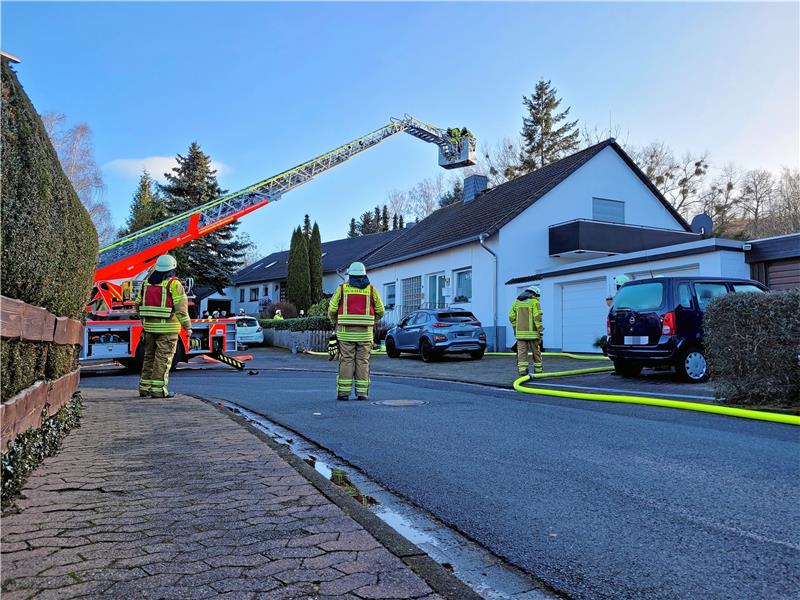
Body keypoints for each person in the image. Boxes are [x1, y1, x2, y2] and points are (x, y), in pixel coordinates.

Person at [135, 254, 191, 398]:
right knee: (163, 359)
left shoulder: (146, 283)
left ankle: (145, 388)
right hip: (168, 330)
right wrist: (187, 327)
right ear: (172, 268)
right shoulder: (174, 284)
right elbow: (181, 309)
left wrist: (145, 320)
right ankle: (158, 390)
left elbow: (138, 304)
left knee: (149, 358)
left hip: (148, 329)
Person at [328, 262, 384, 401]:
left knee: (346, 361)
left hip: (345, 333)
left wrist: (336, 322)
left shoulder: (342, 289)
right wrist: (370, 321)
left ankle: (343, 394)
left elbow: (332, 309)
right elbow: (381, 311)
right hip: (365, 334)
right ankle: (362, 393)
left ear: (350, 275)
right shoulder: (371, 290)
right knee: (363, 361)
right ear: (364, 275)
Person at [509, 285, 544, 376]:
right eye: (537, 295)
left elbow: (511, 317)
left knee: (521, 353)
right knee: (536, 352)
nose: (537, 297)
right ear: (534, 294)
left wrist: (515, 329)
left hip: (520, 334)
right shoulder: (534, 302)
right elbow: (537, 318)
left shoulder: (516, 302)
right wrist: (540, 330)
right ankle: (538, 371)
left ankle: (523, 371)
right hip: (533, 334)